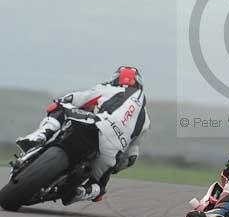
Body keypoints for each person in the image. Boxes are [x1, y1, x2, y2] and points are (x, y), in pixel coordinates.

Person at [16, 66, 150, 204]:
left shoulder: (107, 88)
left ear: (115, 79)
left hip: (93, 122)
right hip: (111, 148)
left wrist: (59, 103)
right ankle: (84, 192)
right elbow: (132, 155)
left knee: (61, 108)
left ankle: (39, 136)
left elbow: (76, 98)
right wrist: (116, 167)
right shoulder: (145, 120)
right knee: (100, 186)